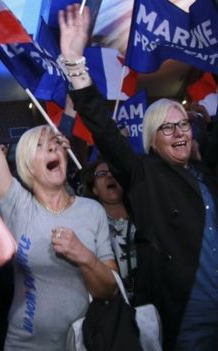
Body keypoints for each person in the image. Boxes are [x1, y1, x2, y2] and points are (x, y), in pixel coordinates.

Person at [60, 4, 218, 349]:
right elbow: (103, 129)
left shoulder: (206, 175)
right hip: (187, 319)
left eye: (184, 124)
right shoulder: (144, 176)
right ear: (151, 138)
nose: (180, 132)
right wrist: (74, 62)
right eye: (168, 127)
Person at [0, 37, 117, 350]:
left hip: (86, 343)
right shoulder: (16, 205)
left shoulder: (91, 211)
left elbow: (111, 289)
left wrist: (84, 257)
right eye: (40, 146)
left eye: (55, 143)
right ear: (28, 166)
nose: (51, 146)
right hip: (26, 345)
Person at [81, 160, 137, 298]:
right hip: (116, 302)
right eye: (102, 174)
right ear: (94, 189)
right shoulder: (90, 224)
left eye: (113, 172)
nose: (109, 176)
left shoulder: (141, 213)